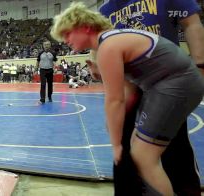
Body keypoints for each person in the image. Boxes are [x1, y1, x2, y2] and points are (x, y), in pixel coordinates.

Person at [50, 2, 204, 195]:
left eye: (67, 34)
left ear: (85, 27)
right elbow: (127, 94)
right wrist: (116, 127)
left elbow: (115, 100)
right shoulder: (113, 39)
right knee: (137, 143)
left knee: (143, 157)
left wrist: (115, 145)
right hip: (172, 84)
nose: (65, 40)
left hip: (175, 85)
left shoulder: (108, 47)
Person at [99, 0, 204, 195]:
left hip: (166, 83)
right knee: (123, 149)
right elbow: (100, 44)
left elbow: (192, 22)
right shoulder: (106, 10)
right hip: (129, 87)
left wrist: (199, 64)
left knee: (173, 148)